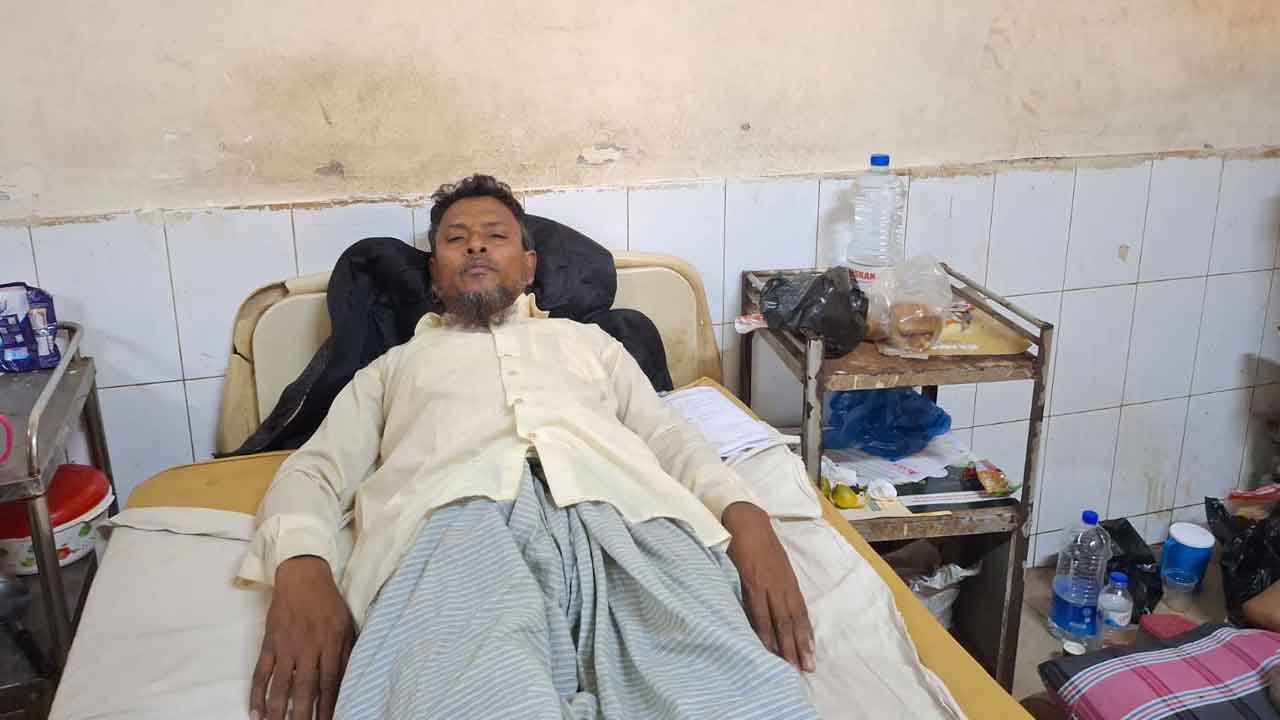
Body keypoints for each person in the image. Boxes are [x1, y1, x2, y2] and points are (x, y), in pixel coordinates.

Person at [241, 174, 818, 720]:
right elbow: (314, 470)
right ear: (435, 275)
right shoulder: (391, 368)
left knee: (733, 698)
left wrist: (747, 519)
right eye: (456, 239)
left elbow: (667, 436)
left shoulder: (592, 345)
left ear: (529, 264)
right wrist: (302, 567)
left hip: (631, 517)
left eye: (496, 236)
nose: (476, 247)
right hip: (457, 532)